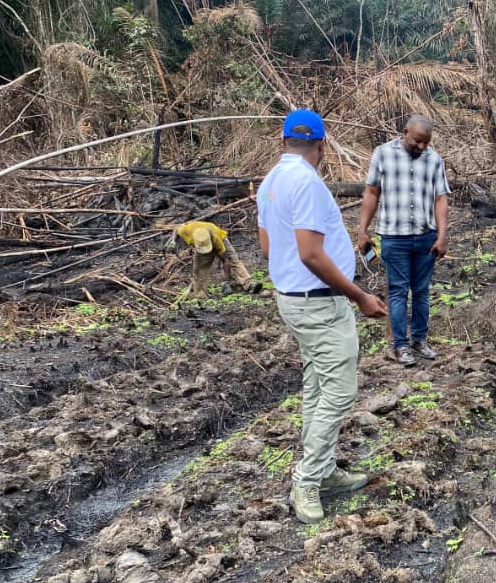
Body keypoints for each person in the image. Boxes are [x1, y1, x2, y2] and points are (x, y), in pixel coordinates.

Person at [256, 109, 388, 525]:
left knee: (317, 385)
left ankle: (325, 470)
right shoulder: (308, 183)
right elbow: (311, 254)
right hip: (320, 303)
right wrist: (359, 296)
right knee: (339, 392)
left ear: (283, 141)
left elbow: (268, 248)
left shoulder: (270, 182)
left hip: (293, 300)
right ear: (321, 145)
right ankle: (308, 479)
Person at [358, 114, 450, 367]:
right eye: (417, 141)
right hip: (393, 237)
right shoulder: (383, 154)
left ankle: (420, 340)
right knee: (398, 290)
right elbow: (371, 192)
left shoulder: (434, 159)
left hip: (425, 236)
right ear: (405, 132)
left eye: (426, 142)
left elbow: (441, 199)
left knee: (421, 291)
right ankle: (400, 345)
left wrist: (442, 236)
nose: (421, 146)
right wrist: (362, 230)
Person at [170, 219, 258, 298]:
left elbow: (225, 260)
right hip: (201, 244)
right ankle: (200, 293)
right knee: (198, 269)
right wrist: (172, 241)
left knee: (233, 259)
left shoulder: (216, 238)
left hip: (220, 239)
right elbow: (176, 228)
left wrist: (227, 281)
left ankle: (248, 283)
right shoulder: (186, 230)